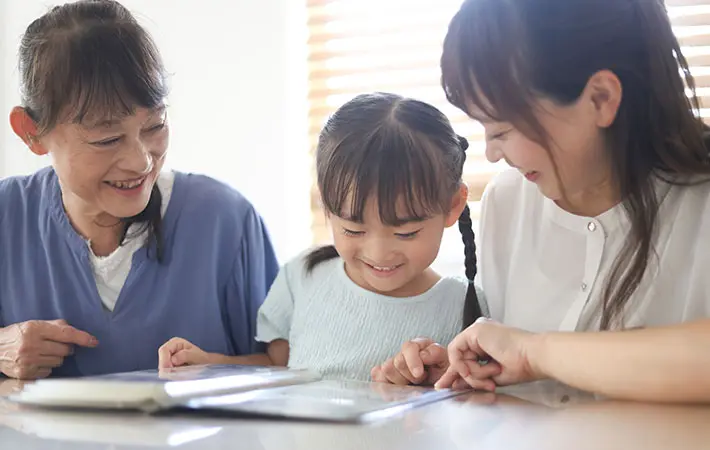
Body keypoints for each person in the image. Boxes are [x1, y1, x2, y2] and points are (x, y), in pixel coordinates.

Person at [374, 0, 710, 403]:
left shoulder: (698, 204)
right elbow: (519, 374)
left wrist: (535, 351)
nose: (493, 153)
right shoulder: (508, 202)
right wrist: (467, 374)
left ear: (601, 99)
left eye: (504, 129)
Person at [0, 0, 278, 380]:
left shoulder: (225, 221)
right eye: (107, 139)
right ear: (31, 132)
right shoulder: (7, 216)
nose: (141, 161)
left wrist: (218, 369)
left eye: (155, 125)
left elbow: (291, 372)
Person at [158, 92, 489, 382]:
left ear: (453, 206)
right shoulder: (304, 275)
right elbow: (277, 367)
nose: (379, 252)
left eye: (405, 232)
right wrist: (211, 364)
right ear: (327, 208)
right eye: (353, 230)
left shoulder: (466, 309)